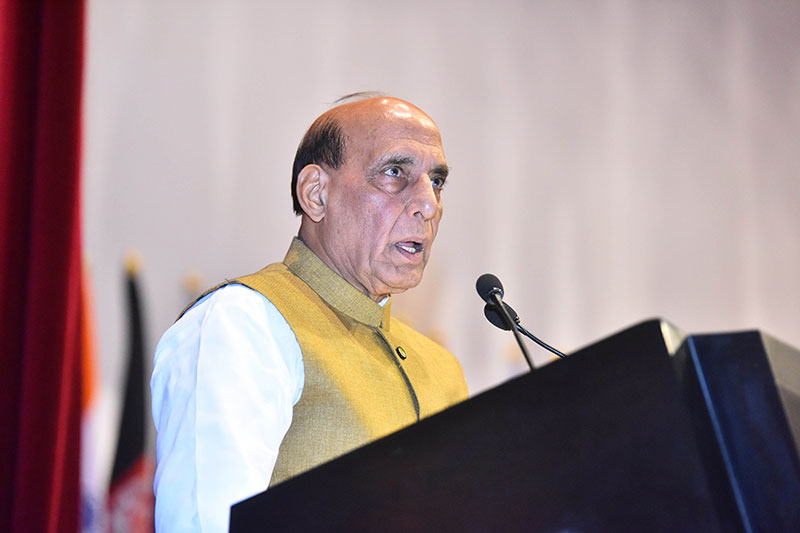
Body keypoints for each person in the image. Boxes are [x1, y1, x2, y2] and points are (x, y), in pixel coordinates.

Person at [150, 94, 469, 531]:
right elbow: (206, 524)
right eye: (395, 172)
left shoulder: (442, 369)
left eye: (436, 181)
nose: (428, 205)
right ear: (316, 194)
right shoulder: (243, 323)